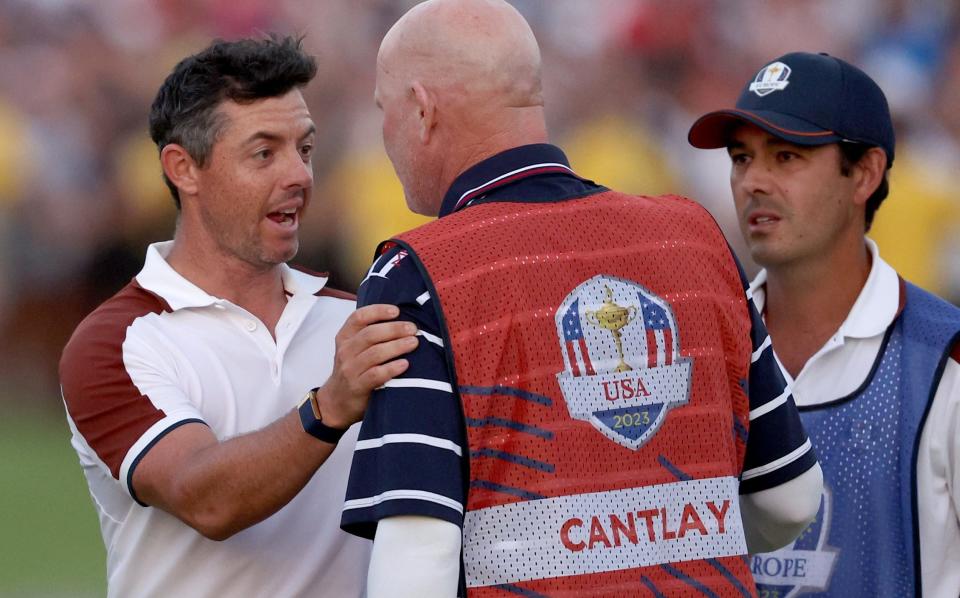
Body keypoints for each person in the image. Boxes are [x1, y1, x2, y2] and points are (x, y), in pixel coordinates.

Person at [339, 2, 823, 596]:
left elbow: (418, 553)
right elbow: (791, 498)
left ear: (421, 107)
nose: (385, 132)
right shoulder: (696, 239)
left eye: (384, 110)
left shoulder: (416, 274)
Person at [58, 36, 417, 597]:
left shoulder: (357, 323)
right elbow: (207, 499)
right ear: (184, 169)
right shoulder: (115, 342)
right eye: (264, 153)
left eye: (305, 149)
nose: (299, 175)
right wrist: (329, 408)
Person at [688, 52, 960, 597]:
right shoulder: (697, 355)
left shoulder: (945, 359)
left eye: (786, 157)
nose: (753, 182)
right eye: (742, 158)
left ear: (864, 174)